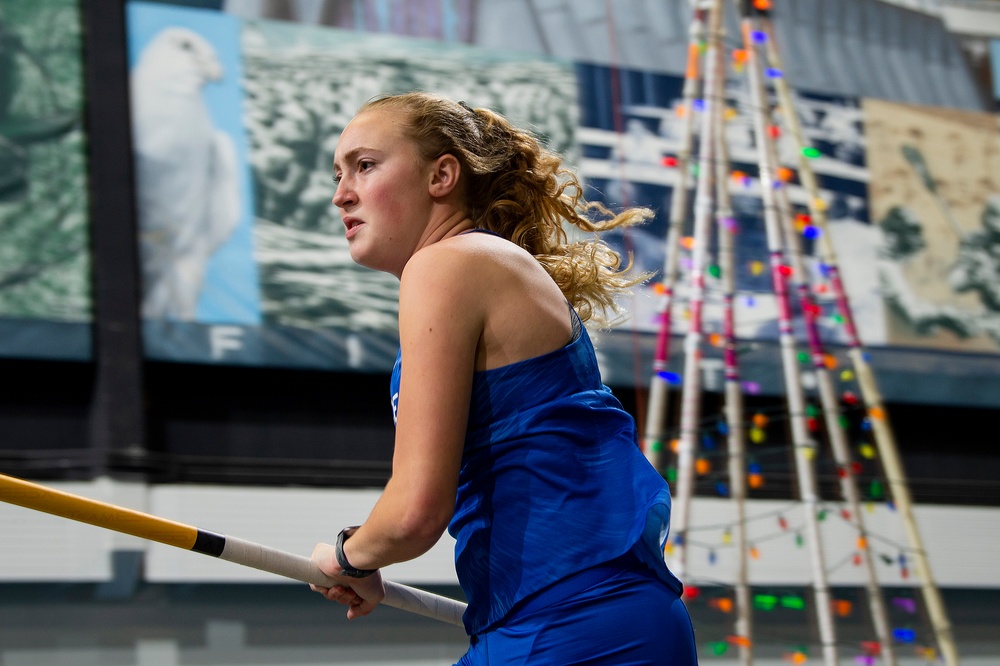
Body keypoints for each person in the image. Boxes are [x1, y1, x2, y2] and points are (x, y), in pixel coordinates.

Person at [309, 91, 698, 665]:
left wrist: (347, 556)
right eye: (339, 173)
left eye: (364, 166)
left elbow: (416, 512)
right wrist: (371, 562)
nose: (341, 193)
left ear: (442, 175)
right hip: (615, 618)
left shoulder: (446, 264)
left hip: (568, 624)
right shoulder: (485, 268)